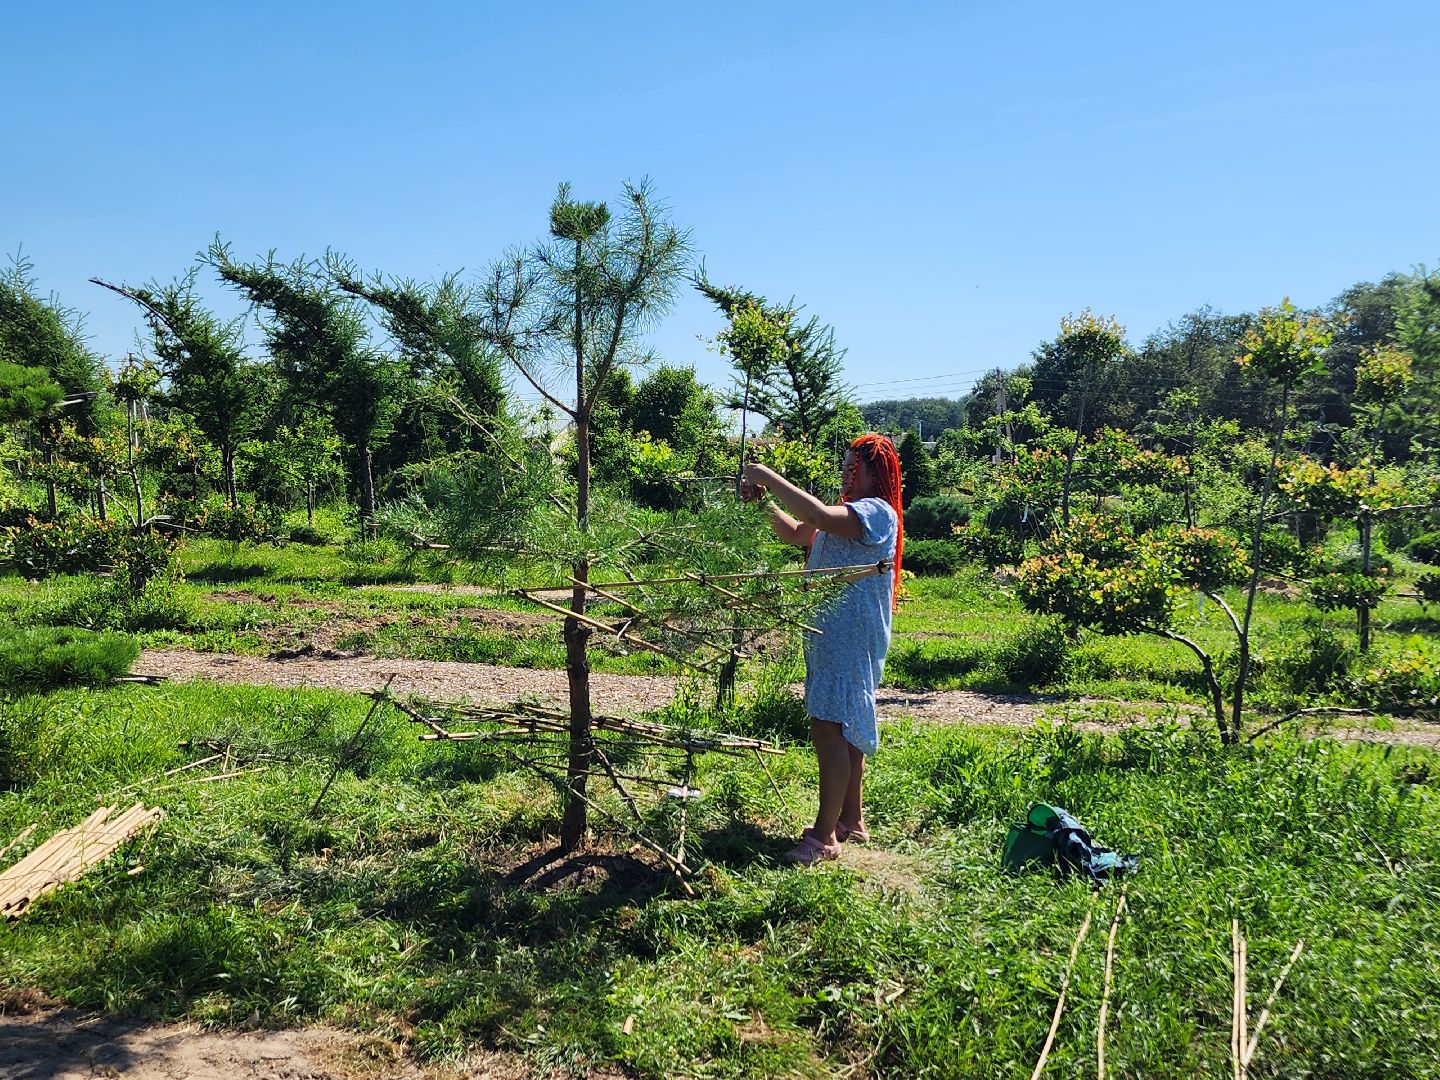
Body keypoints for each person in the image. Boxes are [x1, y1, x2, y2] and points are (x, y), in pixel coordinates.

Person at [741, 434, 904, 865]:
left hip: (849, 633)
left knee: (827, 727)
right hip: (831, 630)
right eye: (847, 463)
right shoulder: (846, 511)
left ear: (878, 472)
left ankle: (823, 838)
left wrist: (766, 475)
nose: (849, 471)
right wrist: (761, 502)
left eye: (857, 465)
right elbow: (798, 532)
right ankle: (851, 819)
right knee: (843, 724)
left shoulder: (876, 513)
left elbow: (813, 513)